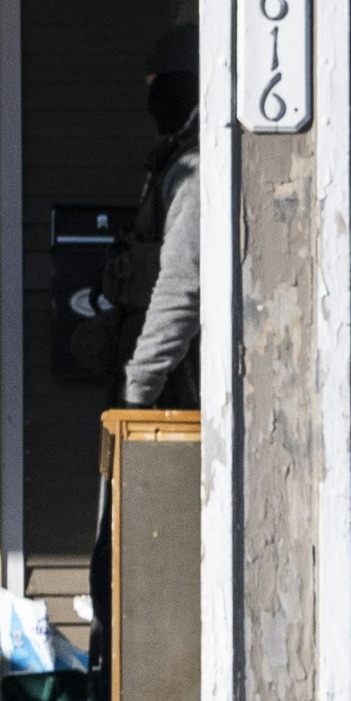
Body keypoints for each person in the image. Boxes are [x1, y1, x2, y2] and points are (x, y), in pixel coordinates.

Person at [118, 21, 202, 411]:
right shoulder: (171, 163)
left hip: (176, 385)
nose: (151, 98)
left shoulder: (196, 170)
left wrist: (140, 387)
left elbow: (183, 284)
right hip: (160, 376)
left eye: (159, 83)